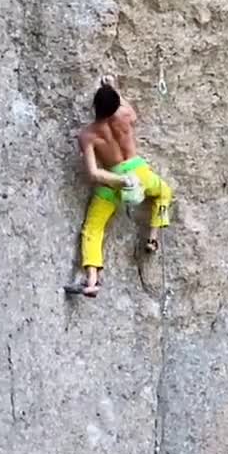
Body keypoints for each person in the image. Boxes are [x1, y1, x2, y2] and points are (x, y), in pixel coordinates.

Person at [73, 76, 172, 297]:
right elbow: (130, 111)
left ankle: (92, 279)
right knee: (164, 192)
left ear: (94, 107)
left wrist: (119, 181)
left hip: (112, 182)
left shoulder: (87, 135)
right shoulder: (125, 114)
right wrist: (113, 86)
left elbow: (93, 173)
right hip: (139, 173)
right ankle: (153, 237)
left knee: (93, 228)